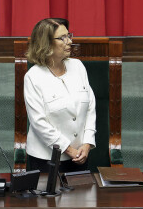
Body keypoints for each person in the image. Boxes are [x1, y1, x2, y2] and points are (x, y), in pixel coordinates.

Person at [23, 18, 96, 173]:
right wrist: (68, 149)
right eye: (62, 38)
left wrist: (87, 143)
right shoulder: (33, 77)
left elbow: (90, 107)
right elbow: (38, 122)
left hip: (80, 155)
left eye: (69, 35)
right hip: (46, 159)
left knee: (81, 197)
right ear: (46, 43)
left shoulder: (78, 66)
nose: (69, 41)